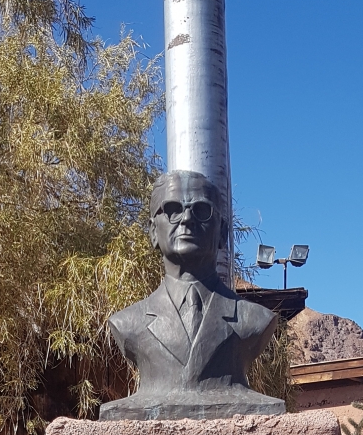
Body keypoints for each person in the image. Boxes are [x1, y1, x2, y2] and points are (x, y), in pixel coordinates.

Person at [100, 171, 286, 420]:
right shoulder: (127, 322)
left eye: (202, 210)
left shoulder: (255, 320)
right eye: (172, 209)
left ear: (222, 233)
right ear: (153, 231)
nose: (187, 219)